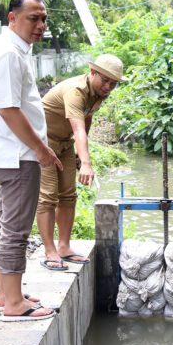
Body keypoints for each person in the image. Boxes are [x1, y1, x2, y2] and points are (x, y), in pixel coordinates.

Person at [0, 0, 61, 322]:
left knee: (2, 226)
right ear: (12, 18)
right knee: (15, 229)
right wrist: (41, 150)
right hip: (19, 155)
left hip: (10, 153)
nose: (40, 24)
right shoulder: (9, 54)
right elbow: (10, 110)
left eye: (43, 18)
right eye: (33, 18)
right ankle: (14, 304)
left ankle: (6, 293)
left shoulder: (10, 49)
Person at [36, 54, 125, 270]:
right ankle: (50, 251)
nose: (108, 87)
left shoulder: (98, 94)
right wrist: (86, 163)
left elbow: (87, 119)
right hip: (43, 143)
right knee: (48, 196)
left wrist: (78, 152)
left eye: (113, 83)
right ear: (92, 73)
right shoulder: (75, 91)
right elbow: (78, 128)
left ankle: (64, 247)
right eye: (105, 80)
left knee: (68, 195)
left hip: (65, 144)